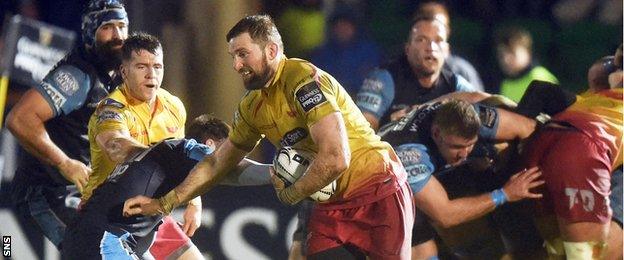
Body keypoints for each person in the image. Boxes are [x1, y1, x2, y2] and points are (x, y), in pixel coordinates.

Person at [123, 14, 415, 259]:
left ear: (272, 51)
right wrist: (165, 204)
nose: (236, 65)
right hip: (331, 204)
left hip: (380, 190)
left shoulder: (302, 80)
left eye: (243, 54)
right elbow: (215, 165)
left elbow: (337, 157)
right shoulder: (252, 106)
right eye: (233, 57)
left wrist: (292, 192)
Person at [5, 0, 128, 249]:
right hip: (46, 191)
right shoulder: (77, 76)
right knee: (95, 251)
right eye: (107, 27)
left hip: (83, 190)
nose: (118, 36)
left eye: (122, 26)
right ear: (90, 33)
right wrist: (64, 163)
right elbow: (19, 119)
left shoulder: (116, 74)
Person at [62, 115, 272, 259]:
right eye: (228, 149)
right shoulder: (185, 149)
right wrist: (277, 172)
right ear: (208, 146)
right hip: (103, 242)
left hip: (81, 238)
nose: (231, 156)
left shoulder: (157, 165)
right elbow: (227, 168)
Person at [85, 32, 203, 260]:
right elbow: (114, 145)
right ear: (124, 71)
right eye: (142, 66)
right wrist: (159, 157)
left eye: (157, 66)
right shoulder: (110, 109)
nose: (152, 74)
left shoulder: (173, 106)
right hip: (110, 217)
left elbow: (182, 162)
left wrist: (195, 201)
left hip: (151, 217)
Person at [378, 99, 544, 259]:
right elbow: (446, 216)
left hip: (427, 176)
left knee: (500, 145)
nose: (464, 154)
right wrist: (505, 194)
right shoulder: (410, 156)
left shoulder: (469, 117)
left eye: (470, 144)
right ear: (436, 134)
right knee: (426, 253)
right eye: (456, 146)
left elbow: (527, 127)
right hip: (381, 196)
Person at [521, 55, 622, 259]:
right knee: (586, 255)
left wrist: (520, 135)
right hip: (584, 153)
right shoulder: (599, 100)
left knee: (557, 252)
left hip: (540, 147)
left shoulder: (590, 100)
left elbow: (540, 90)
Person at [355, 14, 476, 130]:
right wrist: (389, 125)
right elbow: (361, 133)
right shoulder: (384, 78)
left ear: (447, 51)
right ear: (408, 49)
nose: (431, 47)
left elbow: (488, 111)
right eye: (421, 40)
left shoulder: (456, 84)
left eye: (438, 40)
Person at [414, 0, 485, 92]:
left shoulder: (462, 72)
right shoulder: (396, 73)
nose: (431, 47)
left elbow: (480, 103)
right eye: (423, 38)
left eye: (438, 38)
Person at [309, 7, 381, 96]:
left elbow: (375, 81)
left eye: (346, 26)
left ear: (354, 27)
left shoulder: (368, 51)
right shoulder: (321, 54)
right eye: (339, 26)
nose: (342, 30)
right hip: (332, 100)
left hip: (362, 100)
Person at [495, 26, 558, 103]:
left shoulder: (541, 79)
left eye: (512, 52)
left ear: (527, 52)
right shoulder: (506, 84)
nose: (506, 60)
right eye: (501, 55)